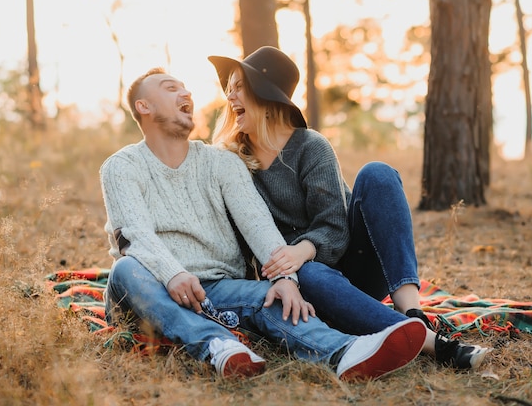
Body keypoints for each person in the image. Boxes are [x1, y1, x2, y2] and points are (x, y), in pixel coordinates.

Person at [99, 66, 428, 380]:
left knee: (274, 296)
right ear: (143, 106)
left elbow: (256, 221)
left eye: (185, 86)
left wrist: (286, 278)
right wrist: (174, 274)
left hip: (217, 288)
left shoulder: (221, 162)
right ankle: (216, 344)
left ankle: (346, 352)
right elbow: (134, 235)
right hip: (151, 286)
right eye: (171, 88)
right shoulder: (121, 166)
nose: (186, 92)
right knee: (125, 269)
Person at [209, 46, 490, 369]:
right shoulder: (232, 162)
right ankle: (431, 344)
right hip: (302, 283)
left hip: (352, 267)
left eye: (240, 87)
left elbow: (335, 226)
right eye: (229, 88)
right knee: (308, 272)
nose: (230, 97)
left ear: (265, 95)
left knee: (378, 174)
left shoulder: (311, 147)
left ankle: (412, 312)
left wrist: (303, 249)